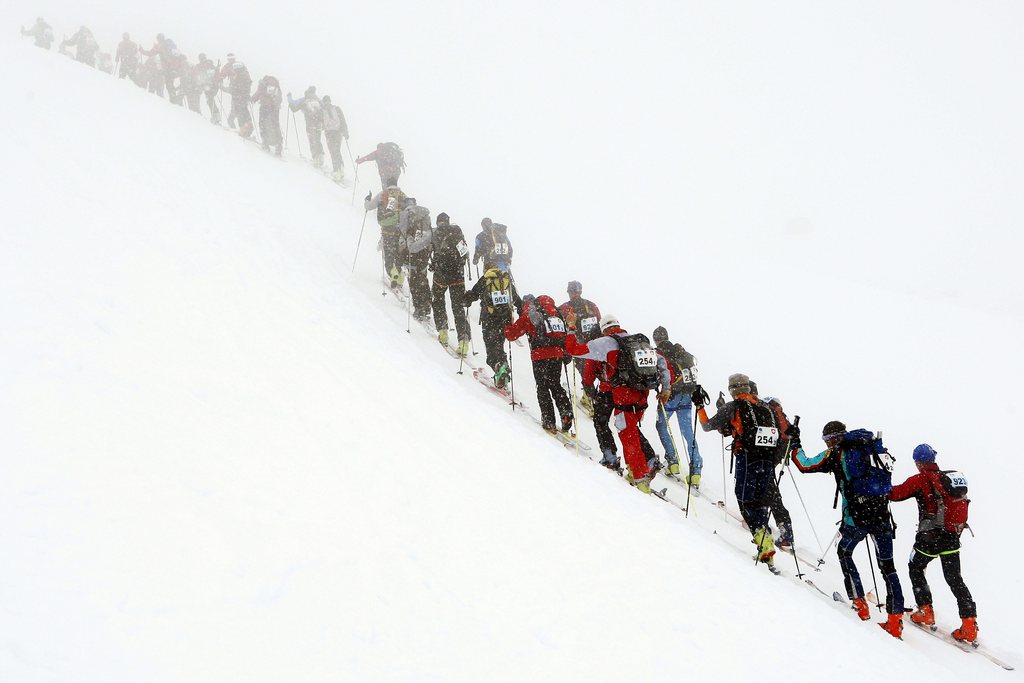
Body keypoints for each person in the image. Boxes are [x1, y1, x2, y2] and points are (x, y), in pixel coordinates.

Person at [790, 421, 906, 638]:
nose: (829, 444)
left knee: (845, 552)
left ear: (834, 438)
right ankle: (895, 620)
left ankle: (859, 603)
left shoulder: (837, 454)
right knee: (888, 567)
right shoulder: (871, 448)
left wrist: (795, 442)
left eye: (828, 440)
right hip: (882, 515)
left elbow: (804, 464)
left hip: (856, 518)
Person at [565, 316, 671, 493]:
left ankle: (639, 476)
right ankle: (643, 465)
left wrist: (570, 328)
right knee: (632, 430)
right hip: (642, 394)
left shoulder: (606, 342)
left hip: (624, 394)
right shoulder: (637, 340)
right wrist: (666, 388)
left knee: (627, 434)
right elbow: (662, 362)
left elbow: (573, 349)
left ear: (604, 329)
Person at [889, 444, 978, 643]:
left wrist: (880, 482)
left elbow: (895, 494)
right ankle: (969, 624)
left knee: (916, 567)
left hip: (930, 538)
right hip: (952, 536)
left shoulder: (920, 479)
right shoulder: (948, 479)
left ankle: (925, 611)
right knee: (955, 578)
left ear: (918, 462)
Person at [692, 374, 781, 565]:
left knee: (745, 499)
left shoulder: (733, 406)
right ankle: (765, 539)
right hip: (767, 460)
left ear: (733, 390)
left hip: (747, 457)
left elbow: (707, 426)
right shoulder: (765, 407)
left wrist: (700, 406)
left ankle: (764, 542)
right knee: (759, 499)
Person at [505, 295, 574, 432]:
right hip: (557, 354)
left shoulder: (530, 314)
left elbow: (512, 335)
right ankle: (566, 412)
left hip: (540, 355)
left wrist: (507, 326)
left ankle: (549, 421)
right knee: (555, 384)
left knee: (542, 387)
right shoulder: (556, 312)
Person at [651, 326, 703, 485]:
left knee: (661, 425)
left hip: (670, 396)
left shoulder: (658, 353)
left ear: (656, 340)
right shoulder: (681, 351)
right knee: (687, 432)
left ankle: (673, 462)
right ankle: (696, 471)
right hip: (686, 396)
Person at [463, 264, 521, 388]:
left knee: (490, 348)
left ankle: (499, 366)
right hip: (504, 320)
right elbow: (516, 299)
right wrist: (522, 312)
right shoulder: (506, 279)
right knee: (499, 344)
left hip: (489, 319)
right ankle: (502, 366)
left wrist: (466, 299)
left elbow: (474, 294)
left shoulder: (486, 278)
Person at [430, 214, 471, 356]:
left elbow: (430, 250)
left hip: (441, 275)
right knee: (458, 307)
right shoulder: (456, 231)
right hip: (457, 275)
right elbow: (465, 252)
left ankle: (443, 331)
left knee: (438, 301)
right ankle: (463, 340)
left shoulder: (435, 233)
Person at [558, 281, 601, 409]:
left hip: (579, 346)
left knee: (585, 371)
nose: (573, 294)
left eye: (574, 291)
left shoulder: (566, 307)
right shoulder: (591, 305)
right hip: (593, 345)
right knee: (592, 371)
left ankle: (591, 398)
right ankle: (592, 396)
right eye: (572, 291)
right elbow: (600, 321)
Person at [364, 181, 407, 289]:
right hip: (400, 232)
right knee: (398, 254)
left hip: (387, 231)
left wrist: (367, 199)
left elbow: (369, 207)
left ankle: (393, 275)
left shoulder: (383, 194)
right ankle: (399, 277)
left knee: (388, 255)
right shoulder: (402, 195)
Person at [399, 198, 434, 321]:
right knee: (422, 277)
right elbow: (429, 234)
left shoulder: (405, 214)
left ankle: (419, 307)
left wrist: (408, 243)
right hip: (424, 253)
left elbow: (403, 233)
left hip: (412, 254)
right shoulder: (424, 214)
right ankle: (427, 305)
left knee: (413, 279)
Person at [289, 87, 325, 167]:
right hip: (319, 124)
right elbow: (325, 109)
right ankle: (321, 157)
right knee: (318, 140)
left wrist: (289, 98)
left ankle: (315, 158)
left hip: (310, 123)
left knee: (312, 140)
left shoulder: (305, 100)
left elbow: (294, 107)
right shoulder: (318, 100)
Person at [251, 75, 283, 156]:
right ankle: (279, 146)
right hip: (275, 108)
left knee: (262, 124)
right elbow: (279, 97)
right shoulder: (275, 86)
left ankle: (265, 143)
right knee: (275, 125)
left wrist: (252, 99)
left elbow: (258, 93)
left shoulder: (263, 84)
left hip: (265, 107)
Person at [321, 96, 349, 182]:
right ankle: (340, 169)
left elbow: (322, 122)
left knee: (333, 151)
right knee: (336, 150)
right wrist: (345, 132)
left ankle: (337, 170)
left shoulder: (322, 110)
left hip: (329, 133)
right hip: (338, 132)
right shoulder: (336, 108)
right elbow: (343, 120)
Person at [224, 61, 253, 138]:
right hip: (242, 98)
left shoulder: (240, 76)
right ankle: (248, 127)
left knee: (240, 113)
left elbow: (235, 88)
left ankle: (243, 130)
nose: (234, 69)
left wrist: (225, 88)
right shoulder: (245, 74)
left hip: (238, 98)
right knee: (244, 112)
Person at [194, 54, 220, 124]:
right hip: (212, 85)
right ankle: (216, 116)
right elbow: (215, 73)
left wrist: (199, 83)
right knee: (210, 100)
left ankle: (215, 117)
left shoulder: (201, 66)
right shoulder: (210, 64)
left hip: (207, 85)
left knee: (210, 100)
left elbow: (197, 74)